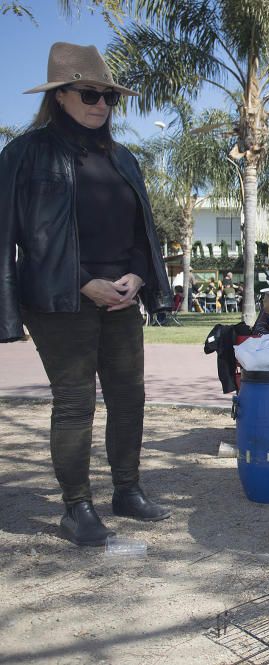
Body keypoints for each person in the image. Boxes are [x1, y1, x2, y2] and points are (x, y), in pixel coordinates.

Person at [0, 42, 173, 546]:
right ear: (60, 96)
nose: (101, 104)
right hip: (58, 301)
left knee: (129, 399)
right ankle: (76, 508)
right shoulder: (24, 154)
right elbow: (12, 236)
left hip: (121, 298)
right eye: (90, 94)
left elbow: (144, 233)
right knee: (75, 404)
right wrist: (81, 280)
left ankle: (127, 490)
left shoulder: (123, 159)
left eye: (109, 97)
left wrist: (139, 277)